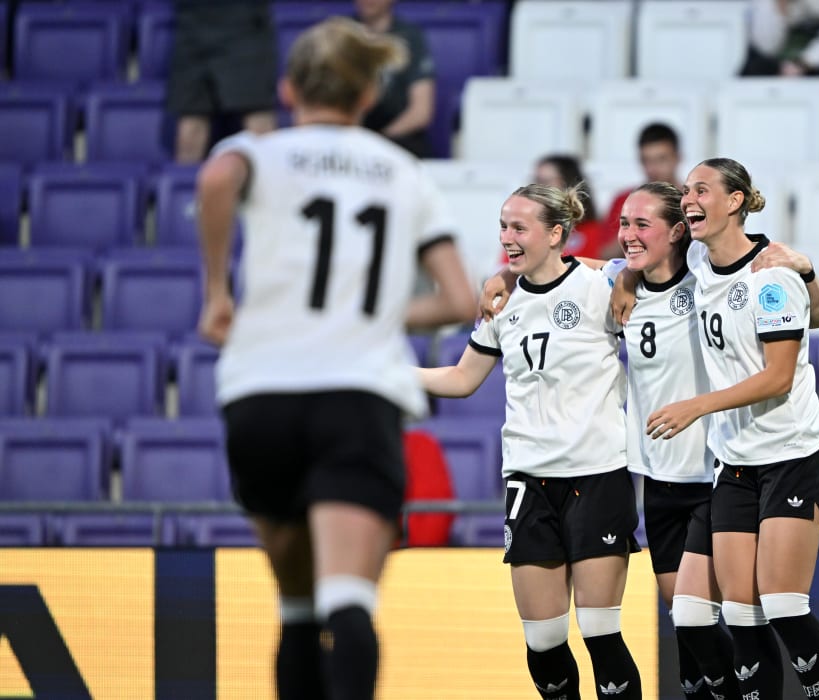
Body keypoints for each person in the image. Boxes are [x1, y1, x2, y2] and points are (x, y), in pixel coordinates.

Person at [195, 18, 475, 700]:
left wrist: (217, 293)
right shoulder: (402, 171)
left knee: (294, 610)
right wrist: (371, 310)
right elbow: (461, 298)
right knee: (348, 602)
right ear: (369, 94)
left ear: (289, 90)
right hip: (355, 394)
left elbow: (214, 179)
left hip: (262, 392)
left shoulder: (263, 150)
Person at [480, 182, 819, 700]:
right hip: (659, 482)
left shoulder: (711, 278)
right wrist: (506, 273)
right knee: (692, 638)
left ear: (678, 231)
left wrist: (803, 269)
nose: (627, 235)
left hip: (715, 473)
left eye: (642, 225)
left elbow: (805, 314)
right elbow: (566, 270)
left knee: (717, 618)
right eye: (623, 224)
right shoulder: (622, 286)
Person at [419, 184, 644, 700]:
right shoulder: (502, 300)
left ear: (556, 234)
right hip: (529, 480)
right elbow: (461, 378)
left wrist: (616, 271)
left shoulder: (599, 284)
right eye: (503, 226)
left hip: (597, 474)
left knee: (600, 632)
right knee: (543, 641)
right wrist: (391, 372)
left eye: (519, 228)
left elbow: (647, 270)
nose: (507, 238)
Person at [640, 158, 819, 700]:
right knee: (740, 612)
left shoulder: (770, 276)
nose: (689, 199)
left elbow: (778, 377)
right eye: (685, 191)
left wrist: (697, 406)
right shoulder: (702, 265)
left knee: (782, 604)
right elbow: (635, 258)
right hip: (736, 462)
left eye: (701, 189)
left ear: (735, 201)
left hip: (793, 455)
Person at [167, 0, 278, 163]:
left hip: (245, 23)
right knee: (191, 120)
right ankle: (186, 184)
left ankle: (272, 181)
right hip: (192, 24)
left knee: (257, 116)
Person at [356, 0, 437, 158]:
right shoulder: (340, 35)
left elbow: (421, 112)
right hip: (351, 141)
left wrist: (379, 141)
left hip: (399, 141)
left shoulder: (410, 36)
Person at [602, 124, 683, 245]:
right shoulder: (624, 200)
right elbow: (604, 255)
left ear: (677, 158)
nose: (653, 168)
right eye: (646, 160)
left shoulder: (693, 201)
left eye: (661, 159)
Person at [741, 0, 819, 79]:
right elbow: (766, 46)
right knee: (754, 69)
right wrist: (780, 5)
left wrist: (804, 63)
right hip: (784, 54)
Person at [532, 155, 617, 259]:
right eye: (535, 181)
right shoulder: (528, 231)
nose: (537, 188)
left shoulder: (593, 232)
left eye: (545, 181)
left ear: (567, 183)